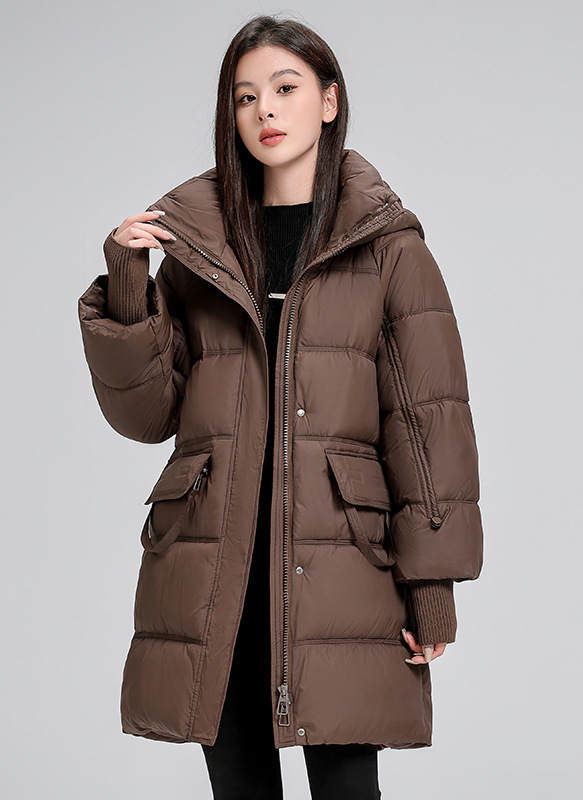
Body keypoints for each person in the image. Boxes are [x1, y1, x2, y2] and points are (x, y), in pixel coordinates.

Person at [78, 13, 483, 800]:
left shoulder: (388, 249)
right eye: (245, 96)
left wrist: (433, 584)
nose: (264, 109)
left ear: (329, 102)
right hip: (217, 566)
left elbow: (428, 422)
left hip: (341, 570)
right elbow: (148, 414)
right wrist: (129, 286)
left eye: (285, 88)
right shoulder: (199, 252)